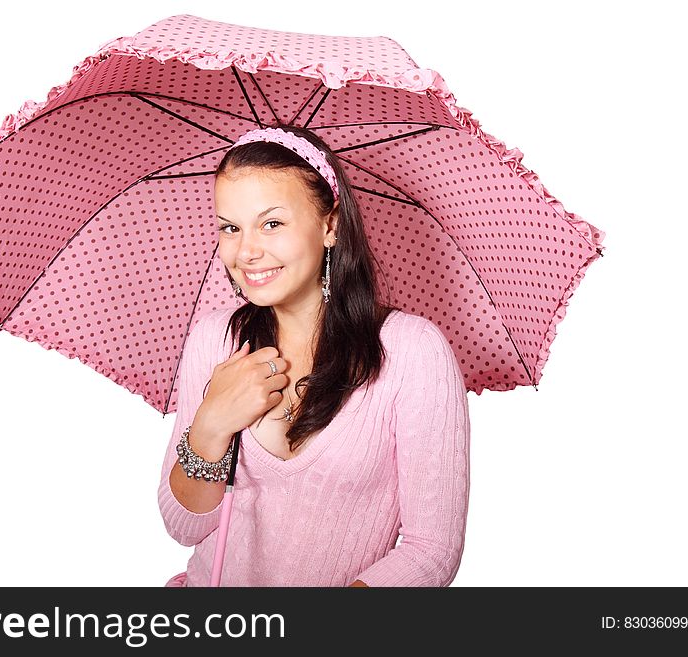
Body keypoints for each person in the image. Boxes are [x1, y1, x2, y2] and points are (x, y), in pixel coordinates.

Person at [158, 123, 471, 587]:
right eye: (230, 227)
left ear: (330, 224)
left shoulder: (412, 351)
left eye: (272, 223)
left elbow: (432, 552)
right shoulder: (215, 339)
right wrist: (212, 422)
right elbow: (185, 527)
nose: (246, 251)